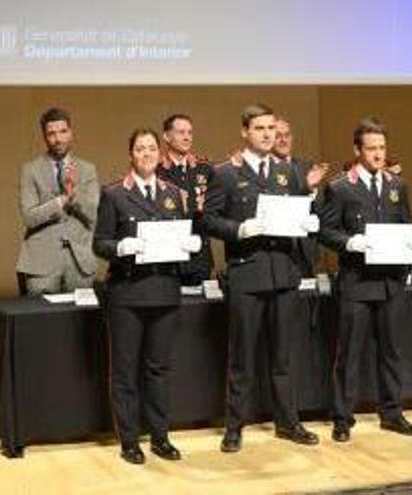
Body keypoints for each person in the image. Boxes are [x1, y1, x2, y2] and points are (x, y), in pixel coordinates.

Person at [201, 103, 320, 453]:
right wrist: (239, 229)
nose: (268, 135)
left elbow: (299, 211)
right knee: (243, 357)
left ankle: (288, 421)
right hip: (247, 273)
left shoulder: (289, 171)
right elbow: (207, 220)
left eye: (272, 128)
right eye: (260, 129)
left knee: (284, 355)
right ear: (245, 132)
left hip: (284, 272)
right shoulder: (224, 173)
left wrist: (307, 222)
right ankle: (234, 426)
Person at [93, 128, 202, 465]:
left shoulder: (173, 193)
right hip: (127, 293)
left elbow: (184, 233)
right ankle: (129, 441)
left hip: (165, 292)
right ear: (131, 154)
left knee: (158, 369)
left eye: (152, 148)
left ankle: (160, 436)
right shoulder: (114, 194)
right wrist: (121, 248)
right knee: (125, 371)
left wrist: (190, 246)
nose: (147, 154)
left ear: (159, 152)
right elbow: (100, 243)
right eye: (140, 148)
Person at [316, 118, 412, 442]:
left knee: (392, 351)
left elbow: (407, 222)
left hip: (391, 282)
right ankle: (342, 417)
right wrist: (349, 242)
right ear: (357, 151)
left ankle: (392, 413)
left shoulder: (397, 186)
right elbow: (325, 230)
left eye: (382, 148)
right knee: (350, 354)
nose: (378, 154)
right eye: (371, 148)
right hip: (357, 283)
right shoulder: (340, 187)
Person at [16, 108, 99, 296]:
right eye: (51, 133)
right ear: (44, 137)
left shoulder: (87, 169)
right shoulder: (30, 170)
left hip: (79, 262)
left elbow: (94, 214)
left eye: (63, 132)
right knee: (41, 320)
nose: (58, 139)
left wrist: (74, 193)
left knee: (80, 321)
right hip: (41, 263)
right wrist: (62, 200)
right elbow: (29, 217)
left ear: (71, 133)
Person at [155, 114, 214, 285]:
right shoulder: (156, 170)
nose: (187, 137)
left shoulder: (205, 168)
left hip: (199, 256)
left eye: (190, 132)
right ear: (167, 136)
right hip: (167, 259)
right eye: (181, 132)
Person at [273, 117, 329, 277]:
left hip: (306, 253)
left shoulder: (307, 166)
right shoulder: (265, 169)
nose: (283, 140)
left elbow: (321, 210)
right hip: (277, 253)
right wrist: (305, 188)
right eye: (278, 136)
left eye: (287, 135)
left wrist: (313, 192)